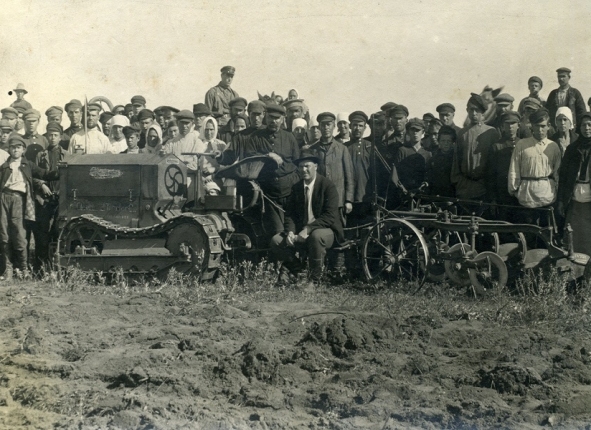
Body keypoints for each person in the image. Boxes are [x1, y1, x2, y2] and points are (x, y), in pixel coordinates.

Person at [270, 152, 343, 287]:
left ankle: (314, 280)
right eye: (301, 167)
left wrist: (308, 229)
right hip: (302, 232)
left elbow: (330, 216)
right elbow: (290, 214)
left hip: (327, 231)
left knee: (316, 236)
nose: (304, 170)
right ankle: (299, 271)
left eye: (307, 166)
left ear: (316, 166)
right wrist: (290, 232)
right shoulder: (296, 188)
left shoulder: (327, 186)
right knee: (276, 241)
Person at [0, 133, 58, 280]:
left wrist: (61, 172)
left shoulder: (28, 165)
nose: (15, 150)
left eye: (18, 147)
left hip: (19, 200)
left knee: (19, 234)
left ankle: (24, 268)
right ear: (9, 149)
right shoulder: (4, 167)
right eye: (12, 147)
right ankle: (8, 268)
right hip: (4, 199)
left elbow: (44, 174)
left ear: (23, 149)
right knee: (4, 234)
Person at [243, 103, 300, 235]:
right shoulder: (255, 137)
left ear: (282, 119)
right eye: (270, 117)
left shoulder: (289, 137)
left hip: (290, 193)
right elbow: (249, 161)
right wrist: (267, 156)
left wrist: (293, 182)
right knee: (276, 232)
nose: (273, 121)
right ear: (265, 117)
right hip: (268, 195)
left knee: (292, 229)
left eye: (277, 118)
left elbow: (297, 163)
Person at [508, 109, 561, 224]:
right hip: (527, 196)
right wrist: (514, 190)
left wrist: (556, 190)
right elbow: (514, 169)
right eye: (537, 126)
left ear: (548, 126)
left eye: (543, 126)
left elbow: (557, 172)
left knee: (546, 230)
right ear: (531, 126)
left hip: (547, 196)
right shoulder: (522, 144)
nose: (540, 130)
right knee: (528, 230)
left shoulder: (553, 146)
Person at [451, 93, 500, 203]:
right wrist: (458, 182)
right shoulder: (462, 133)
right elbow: (456, 161)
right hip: (464, 187)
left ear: (483, 112)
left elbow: (494, 162)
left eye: (477, 110)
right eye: (470, 110)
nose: (473, 113)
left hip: (484, 187)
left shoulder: (491, 132)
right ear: (467, 110)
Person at [31, 122, 66, 272]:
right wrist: (42, 185)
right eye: (50, 135)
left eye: (55, 135)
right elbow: (33, 174)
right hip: (44, 199)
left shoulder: (67, 155)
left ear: (60, 137)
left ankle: (57, 266)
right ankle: (40, 267)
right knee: (42, 233)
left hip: (61, 199)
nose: (52, 138)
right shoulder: (41, 155)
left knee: (58, 232)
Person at [557, 113, 591, 255]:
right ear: (578, 127)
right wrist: (561, 200)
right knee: (574, 236)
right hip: (575, 197)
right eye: (583, 125)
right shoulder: (572, 149)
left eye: (589, 125)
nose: (587, 128)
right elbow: (563, 177)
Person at [308, 112, 354, 216]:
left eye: (328, 124)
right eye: (323, 125)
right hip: (319, 200)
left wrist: (348, 200)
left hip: (339, 201)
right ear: (319, 126)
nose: (326, 127)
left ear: (334, 126)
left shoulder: (342, 149)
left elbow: (349, 176)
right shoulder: (313, 150)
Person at [486, 111, 521, 221]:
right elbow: (491, 175)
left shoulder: (523, 145)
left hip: (520, 194)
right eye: (507, 124)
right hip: (502, 195)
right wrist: (493, 199)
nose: (510, 127)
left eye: (513, 123)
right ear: (502, 126)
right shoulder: (496, 147)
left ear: (518, 125)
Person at [391, 118, 432, 198]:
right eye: (412, 130)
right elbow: (395, 175)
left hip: (422, 194)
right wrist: (402, 189)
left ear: (423, 132)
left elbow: (429, 175)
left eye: (418, 130)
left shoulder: (427, 153)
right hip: (404, 193)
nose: (415, 133)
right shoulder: (402, 151)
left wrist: (425, 184)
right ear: (408, 132)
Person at [218, 100, 265, 166]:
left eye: (259, 114)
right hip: (246, 171)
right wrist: (220, 156)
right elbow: (230, 156)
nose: (256, 118)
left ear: (263, 114)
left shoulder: (269, 133)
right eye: (253, 114)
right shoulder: (240, 136)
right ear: (249, 114)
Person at [346, 111, 372, 223]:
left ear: (365, 128)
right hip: (349, 197)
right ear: (350, 126)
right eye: (355, 125)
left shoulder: (370, 147)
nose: (357, 128)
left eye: (360, 126)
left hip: (366, 195)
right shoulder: (344, 148)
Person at [426, 125, 456, 198]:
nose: (446, 143)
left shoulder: (456, 159)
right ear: (439, 141)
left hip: (452, 194)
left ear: (453, 143)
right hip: (436, 194)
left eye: (448, 141)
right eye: (443, 141)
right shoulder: (433, 159)